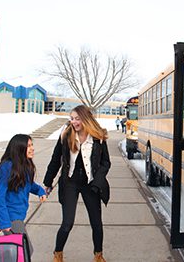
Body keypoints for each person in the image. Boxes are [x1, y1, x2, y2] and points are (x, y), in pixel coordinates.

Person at [43, 105, 111, 262]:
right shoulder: (66, 135)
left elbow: (105, 162)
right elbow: (55, 160)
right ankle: (57, 254)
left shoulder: (98, 137)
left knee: (97, 224)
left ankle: (98, 255)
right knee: (67, 223)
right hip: (70, 183)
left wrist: (98, 180)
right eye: (72, 118)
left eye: (77, 119)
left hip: (90, 183)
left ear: (86, 119)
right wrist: (48, 182)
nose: (74, 122)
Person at [0, 134, 47, 257]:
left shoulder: (23, 165)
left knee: (16, 253)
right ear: (19, 148)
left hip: (17, 216)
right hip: (10, 217)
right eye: (28, 146)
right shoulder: (6, 167)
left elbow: (29, 184)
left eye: (32, 145)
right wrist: (5, 224)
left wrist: (40, 191)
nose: (32, 149)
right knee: (25, 251)